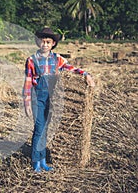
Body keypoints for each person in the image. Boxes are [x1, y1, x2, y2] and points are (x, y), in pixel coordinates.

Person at [23, 27, 95, 173]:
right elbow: (28, 81)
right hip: (38, 97)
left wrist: (86, 74)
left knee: (46, 129)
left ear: (53, 44)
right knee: (39, 129)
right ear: (37, 42)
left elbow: (71, 69)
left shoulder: (58, 59)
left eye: (48, 42)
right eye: (42, 41)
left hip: (52, 98)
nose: (45, 45)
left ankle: (43, 160)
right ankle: (35, 161)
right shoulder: (31, 60)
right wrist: (27, 102)